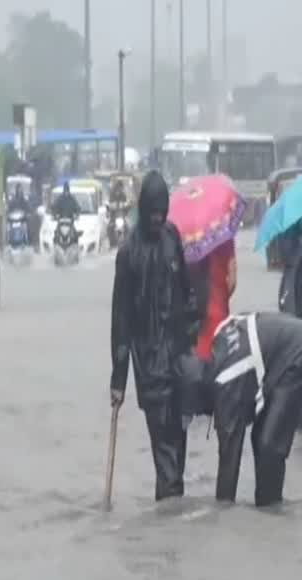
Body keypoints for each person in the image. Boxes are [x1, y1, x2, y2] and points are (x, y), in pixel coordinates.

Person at [110, 170, 201, 501]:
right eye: (152, 213)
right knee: (164, 450)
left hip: (178, 358)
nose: (157, 219)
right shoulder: (127, 255)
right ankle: (170, 512)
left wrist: (193, 327)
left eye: (162, 213)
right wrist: (118, 379)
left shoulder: (172, 237)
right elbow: (120, 320)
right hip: (149, 367)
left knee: (178, 443)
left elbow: (188, 290)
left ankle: (172, 512)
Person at [181, 312, 302, 507]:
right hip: (285, 340)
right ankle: (266, 511)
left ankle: (272, 513)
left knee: (268, 444)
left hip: (298, 351)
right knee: (260, 438)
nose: (199, 415)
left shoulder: (227, 382)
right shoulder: (218, 345)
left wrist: (221, 512)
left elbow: (229, 457)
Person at [193, 239, 238, 361]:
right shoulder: (224, 237)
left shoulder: (189, 238)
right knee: (222, 356)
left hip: (196, 309)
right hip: (220, 308)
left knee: (200, 352)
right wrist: (223, 297)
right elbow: (233, 281)